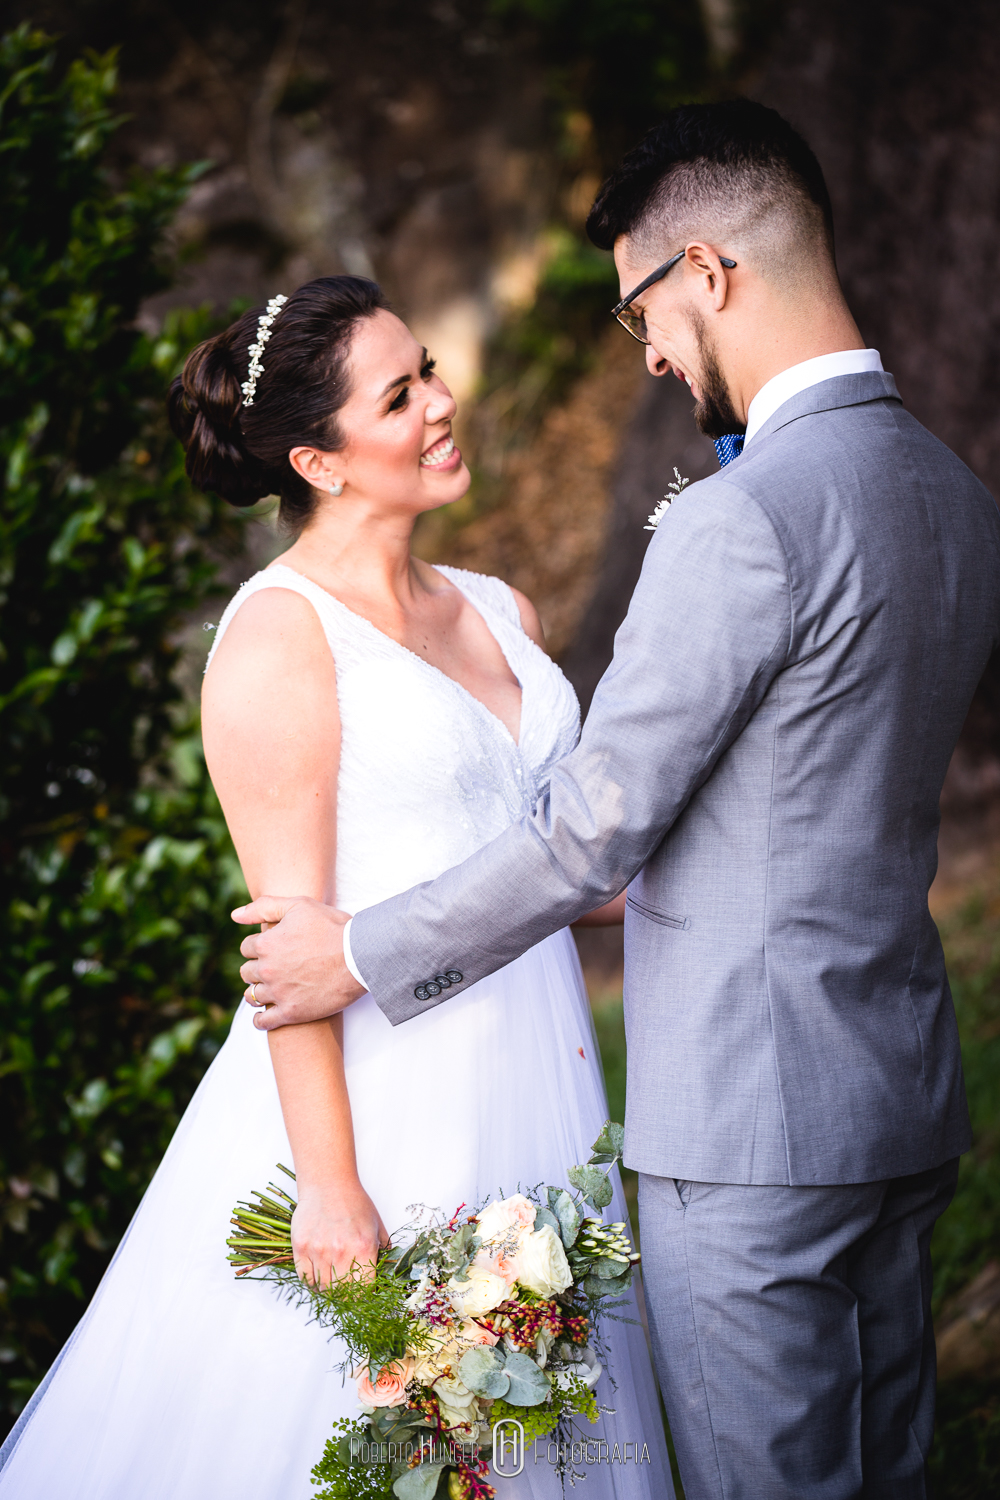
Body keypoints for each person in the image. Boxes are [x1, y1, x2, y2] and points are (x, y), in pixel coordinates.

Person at [233, 101, 1000, 1499]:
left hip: (753, 1129)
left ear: (707, 274)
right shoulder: (954, 492)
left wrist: (353, 950)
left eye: (640, 303)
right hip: (901, 1095)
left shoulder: (745, 515)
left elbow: (599, 816)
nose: (641, 348)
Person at [0, 277, 671, 1498]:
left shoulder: (497, 607)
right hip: (382, 1107)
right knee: (401, 1446)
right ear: (319, 457)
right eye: (400, 393)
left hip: (540, 1075)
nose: (440, 403)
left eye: (429, 369)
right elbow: (287, 941)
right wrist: (331, 1192)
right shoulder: (277, 638)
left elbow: (563, 873)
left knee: (539, 1433)